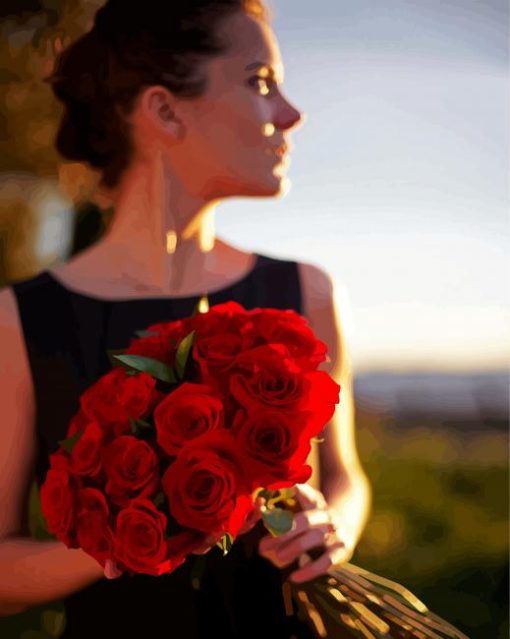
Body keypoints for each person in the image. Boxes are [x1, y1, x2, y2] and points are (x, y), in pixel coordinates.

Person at [0, 1, 371, 636]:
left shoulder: (303, 291)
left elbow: (347, 479)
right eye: (261, 82)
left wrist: (328, 524)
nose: (291, 113)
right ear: (165, 109)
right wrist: (118, 540)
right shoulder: (20, 319)